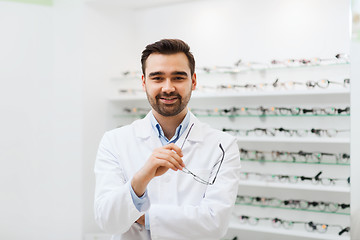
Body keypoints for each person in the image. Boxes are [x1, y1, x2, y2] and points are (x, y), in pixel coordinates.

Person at [94, 39, 241, 240]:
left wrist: (141, 215)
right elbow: (107, 220)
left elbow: (215, 223)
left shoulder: (223, 146)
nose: (168, 88)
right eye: (157, 78)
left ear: (194, 81)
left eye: (178, 77)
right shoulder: (114, 141)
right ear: (144, 82)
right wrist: (141, 178)